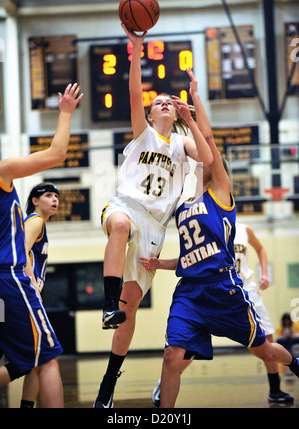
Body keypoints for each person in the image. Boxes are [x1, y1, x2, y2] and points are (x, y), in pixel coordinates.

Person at [140, 68, 299, 408]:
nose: (197, 165)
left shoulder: (221, 194)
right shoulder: (186, 205)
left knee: (266, 349)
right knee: (172, 355)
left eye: (202, 164)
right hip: (191, 292)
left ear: (214, 169)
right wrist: (159, 263)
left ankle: (296, 364)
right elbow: (187, 258)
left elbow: (208, 143)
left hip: (224, 288)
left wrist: (194, 103)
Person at [93, 25, 213, 408]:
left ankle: (108, 383)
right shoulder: (142, 132)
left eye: (168, 101)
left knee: (131, 311)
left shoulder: (181, 142)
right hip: (126, 207)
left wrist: (191, 110)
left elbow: (208, 158)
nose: (163, 102)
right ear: (148, 111)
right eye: (157, 100)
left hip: (156, 227)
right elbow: (133, 91)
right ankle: (108, 302)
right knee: (121, 225)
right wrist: (136, 47)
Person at [147, 221, 294, 405]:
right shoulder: (208, 225)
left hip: (246, 289)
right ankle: (166, 381)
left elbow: (261, 249)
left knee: (267, 342)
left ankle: (275, 390)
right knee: (189, 347)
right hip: (217, 291)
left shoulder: (244, 229)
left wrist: (264, 273)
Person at [0, 83, 83, 408]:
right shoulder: (4, 172)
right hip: (9, 279)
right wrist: (64, 113)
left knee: (23, 360)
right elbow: (56, 154)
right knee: (47, 356)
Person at [20, 182, 60, 408]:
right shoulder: (35, 221)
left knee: (37, 360)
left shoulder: (37, 223)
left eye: (56, 196)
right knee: (43, 356)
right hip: (25, 295)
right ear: (35, 201)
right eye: (48, 195)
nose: (54, 199)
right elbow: (22, 252)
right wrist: (33, 285)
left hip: (22, 294)